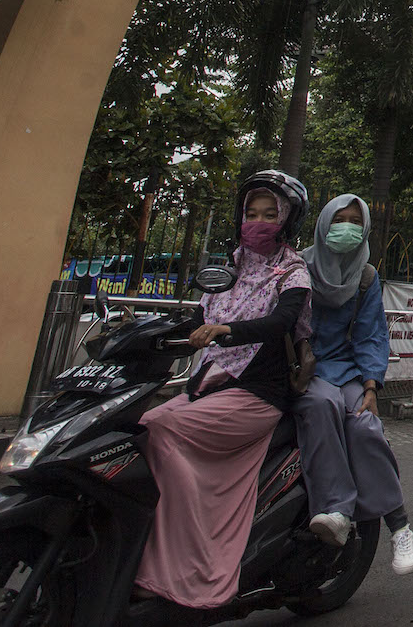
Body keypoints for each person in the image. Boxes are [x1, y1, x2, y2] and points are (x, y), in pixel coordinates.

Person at [133, 171, 313, 609]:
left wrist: (226, 330)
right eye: (251, 212)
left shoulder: (292, 271)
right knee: (136, 428)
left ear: (287, 220)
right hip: (210, 388)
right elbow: (195, 321)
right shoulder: (227, 268)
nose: (258, 220)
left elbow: (281, 322)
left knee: (162, 427)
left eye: (270, 214)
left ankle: (191, 555)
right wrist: (138, 328)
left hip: (257, 397)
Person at [295, 194, 413, 575]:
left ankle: (399, 525)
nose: (345, 227)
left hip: (346, 371)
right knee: (321, 406)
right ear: (323, 224)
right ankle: (335, 510)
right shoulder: (298, 267)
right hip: (305, 371)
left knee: (365, 425)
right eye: (339, 219)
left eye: (354, 220)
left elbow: (371, 335)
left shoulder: (365, 276)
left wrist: (370, 387)